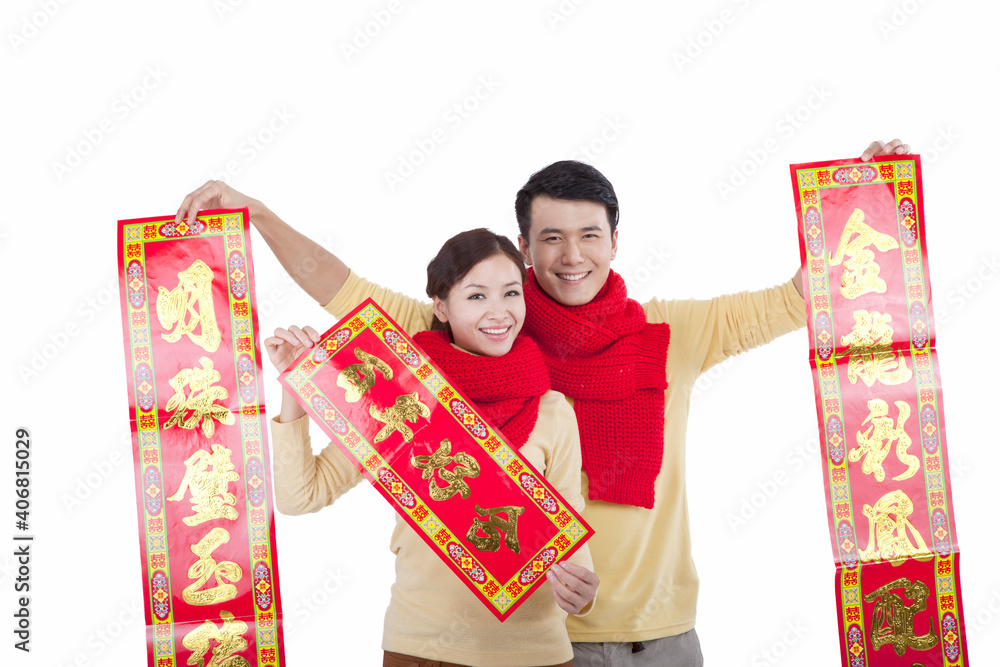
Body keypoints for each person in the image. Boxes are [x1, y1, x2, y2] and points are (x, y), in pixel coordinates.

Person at [177, 137, 909, 666]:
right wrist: (259, 214)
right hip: (538, 640)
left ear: (616, 241)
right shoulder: (460, 332)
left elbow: (800, 297)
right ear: (525, 247)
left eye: (589, 234)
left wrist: (865, 200)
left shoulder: (671, 331)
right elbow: (333, 283)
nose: (571, 255)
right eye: (550, 237)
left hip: (663, 635)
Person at [264, 229, 598, 667]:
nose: (499, 312)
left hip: (535, 653)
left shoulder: (552, 409)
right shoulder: (397, 397)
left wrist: (584, 593)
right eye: (477, 296)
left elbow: (568, 527)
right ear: (441, 305)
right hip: (421, 649)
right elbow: (300, 496)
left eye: (511, 293)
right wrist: (295, 386)